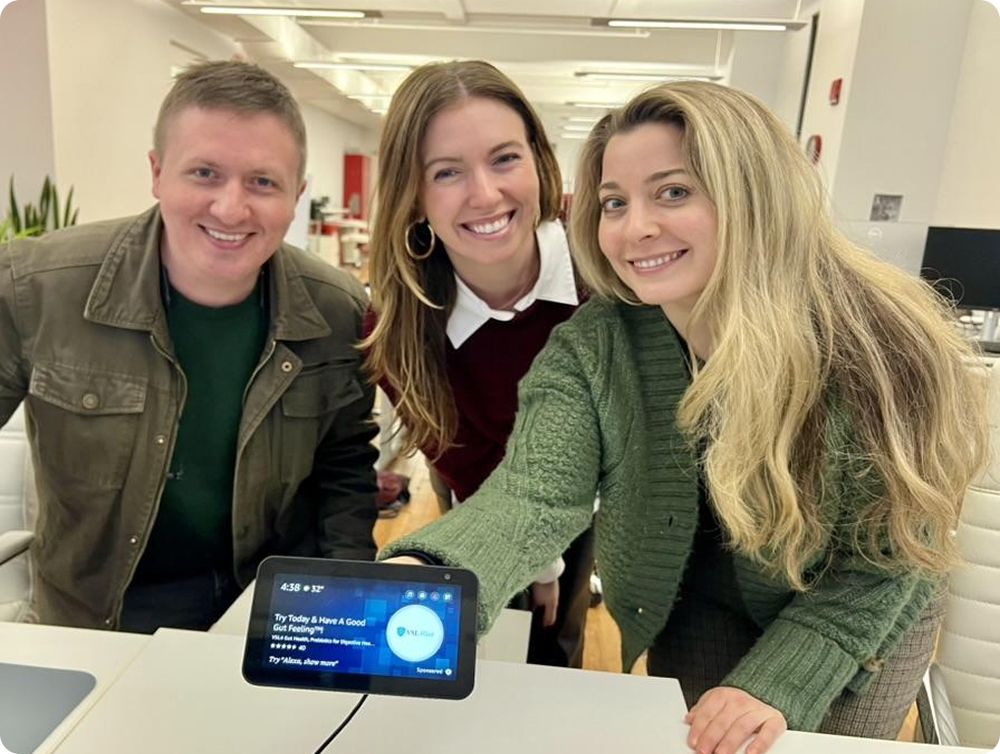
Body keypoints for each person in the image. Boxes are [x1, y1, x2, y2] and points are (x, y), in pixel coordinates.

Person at [381, 81, 988, 753]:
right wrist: (427, 571)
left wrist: (778, 683)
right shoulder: (597, 343)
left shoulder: (879, 344)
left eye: (673, 192)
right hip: (697, 590)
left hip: (853, 607)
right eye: (615, 202)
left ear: (750, 193)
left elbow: (888, 561)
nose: (635, 228)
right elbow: (533, 496)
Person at [0, 60, 378, 632]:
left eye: (262, 182)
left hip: (270, 612)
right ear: (157, 173)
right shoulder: (38, 289)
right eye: (204, 173)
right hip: (98, 618)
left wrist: (343, 611)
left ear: (297, 195)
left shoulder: (336, 310)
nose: (230, 208)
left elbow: (344, 466)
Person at [363, 60, 594, 668]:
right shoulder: (400, 327)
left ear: (540, 160)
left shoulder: (603, 279)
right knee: (476, 627)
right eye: (447, 172)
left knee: (556, 637)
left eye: (505, 158)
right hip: (476, 486)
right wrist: (533, 564)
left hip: (591, 485)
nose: (486, 194)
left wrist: (554, 564)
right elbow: (469, 467)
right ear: (414, 196)